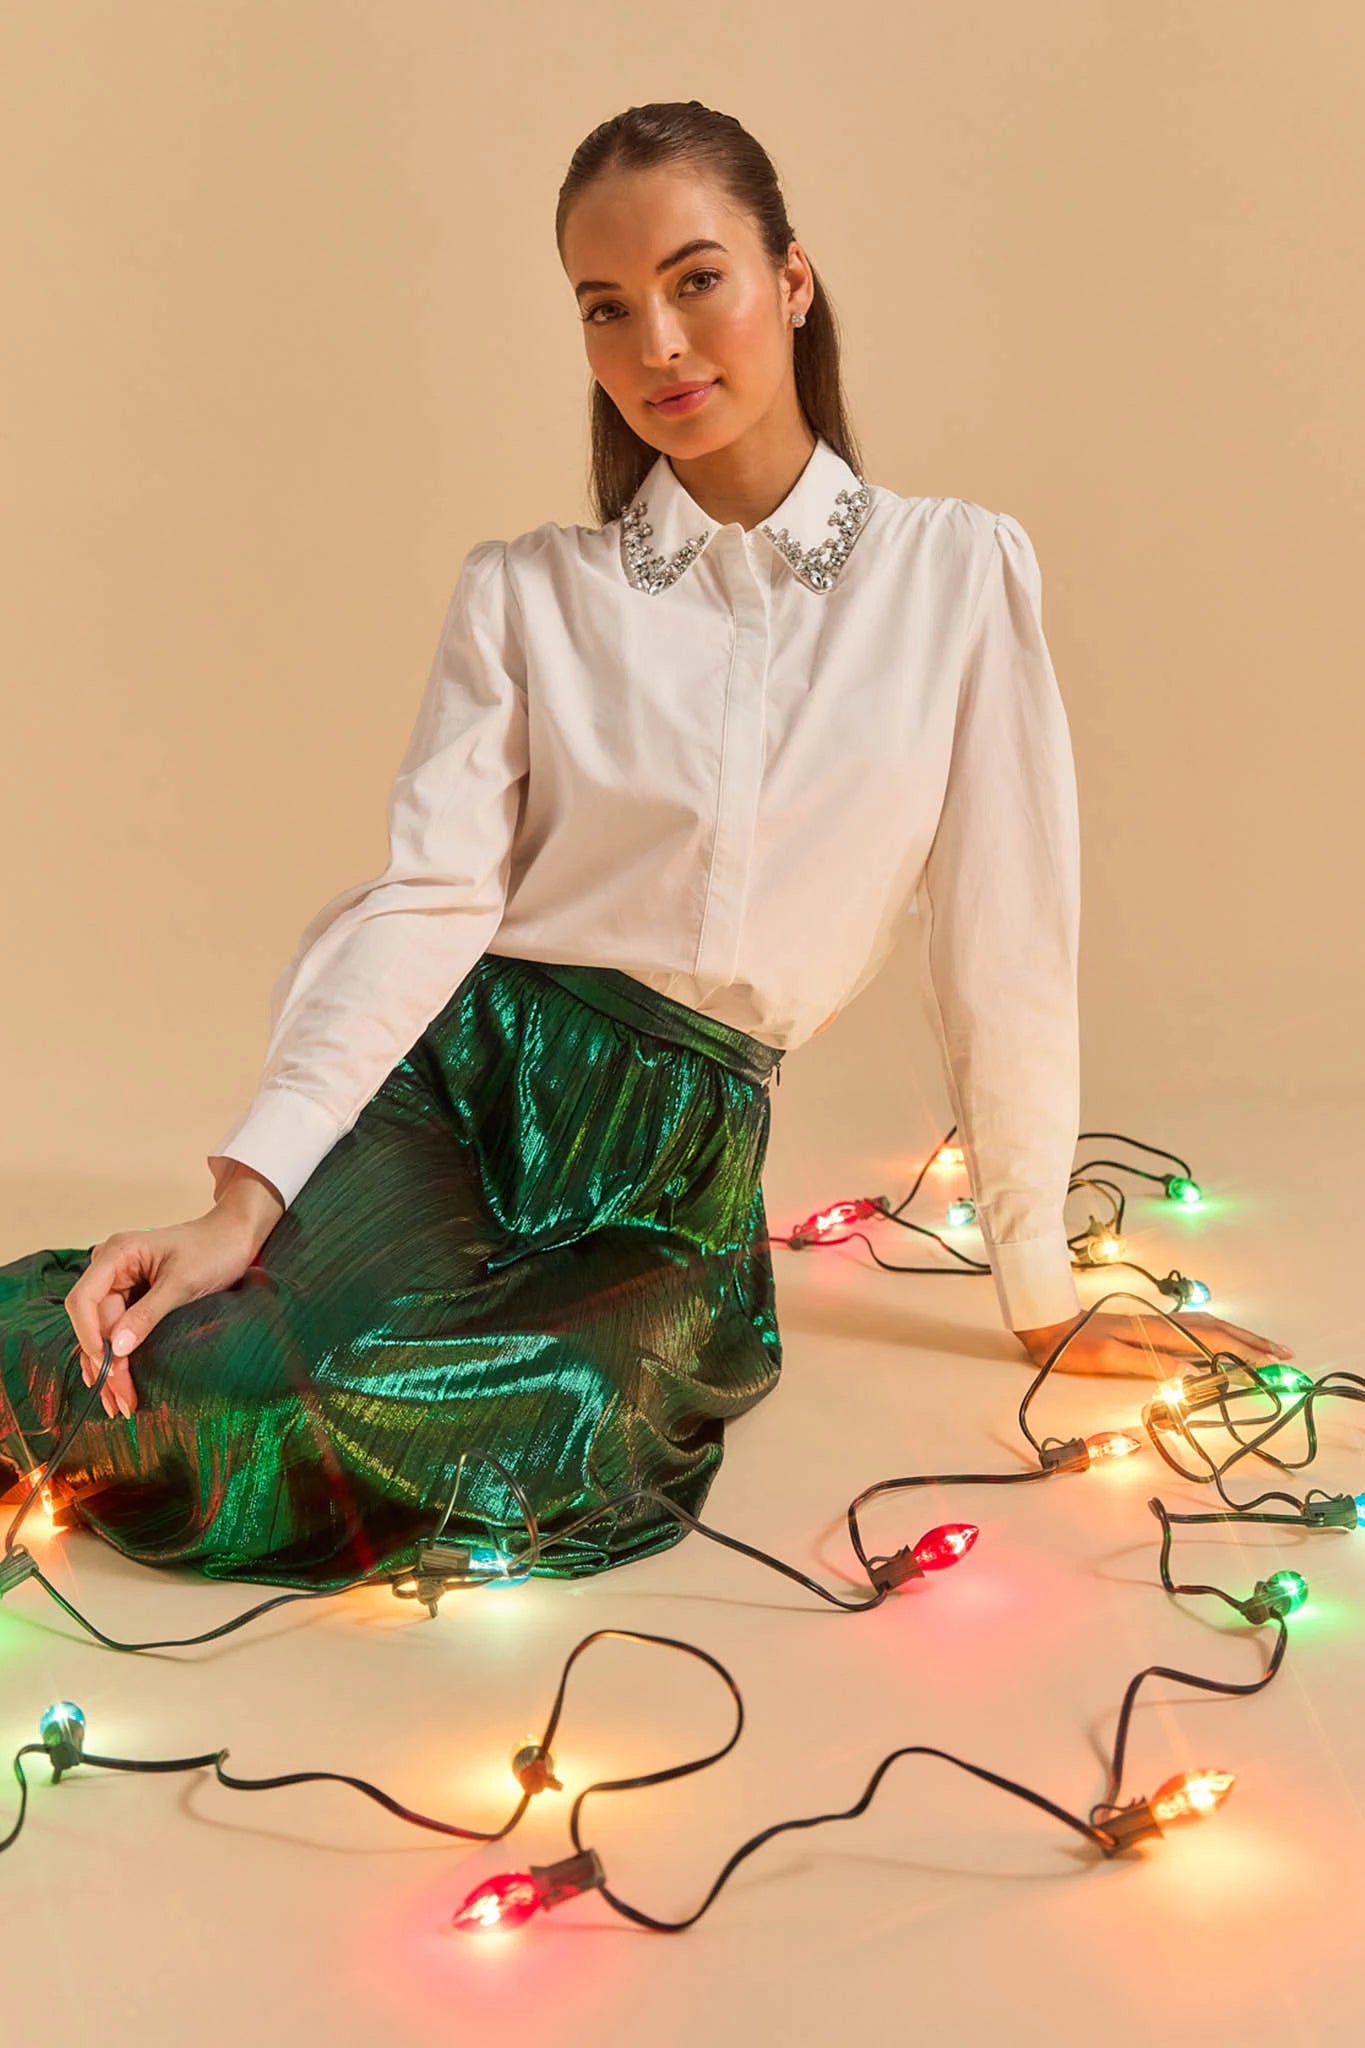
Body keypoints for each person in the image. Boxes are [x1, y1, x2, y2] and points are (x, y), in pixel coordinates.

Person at [0, 100, 1293, 1590]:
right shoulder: (525, 596)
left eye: (697, 283)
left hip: (675, 1147)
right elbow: (430, 899)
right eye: (606, 310)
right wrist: (248, 1197)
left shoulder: (953, 574)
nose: (657, 348)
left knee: (537, 1423)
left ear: (790, 284)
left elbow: (1003, 946)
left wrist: (1037, 1288)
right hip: (466, 1080)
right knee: (209, 1383)